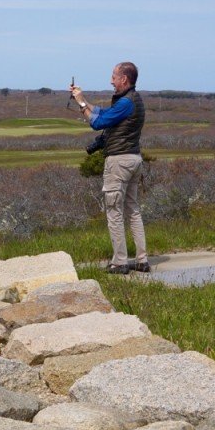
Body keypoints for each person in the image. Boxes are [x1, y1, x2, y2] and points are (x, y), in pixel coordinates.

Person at [70, 62, 150, 274]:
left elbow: (98, 122)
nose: (111, 81)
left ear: (124, 79)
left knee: (114, 211)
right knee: (133, 210)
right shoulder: (134, 100)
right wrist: (82, 99)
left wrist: (81, 104)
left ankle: (120, 262)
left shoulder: (125, 103)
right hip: (134, 159)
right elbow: (104, 112)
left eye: (114, 77)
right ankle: (142, 260)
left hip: (119, 162)